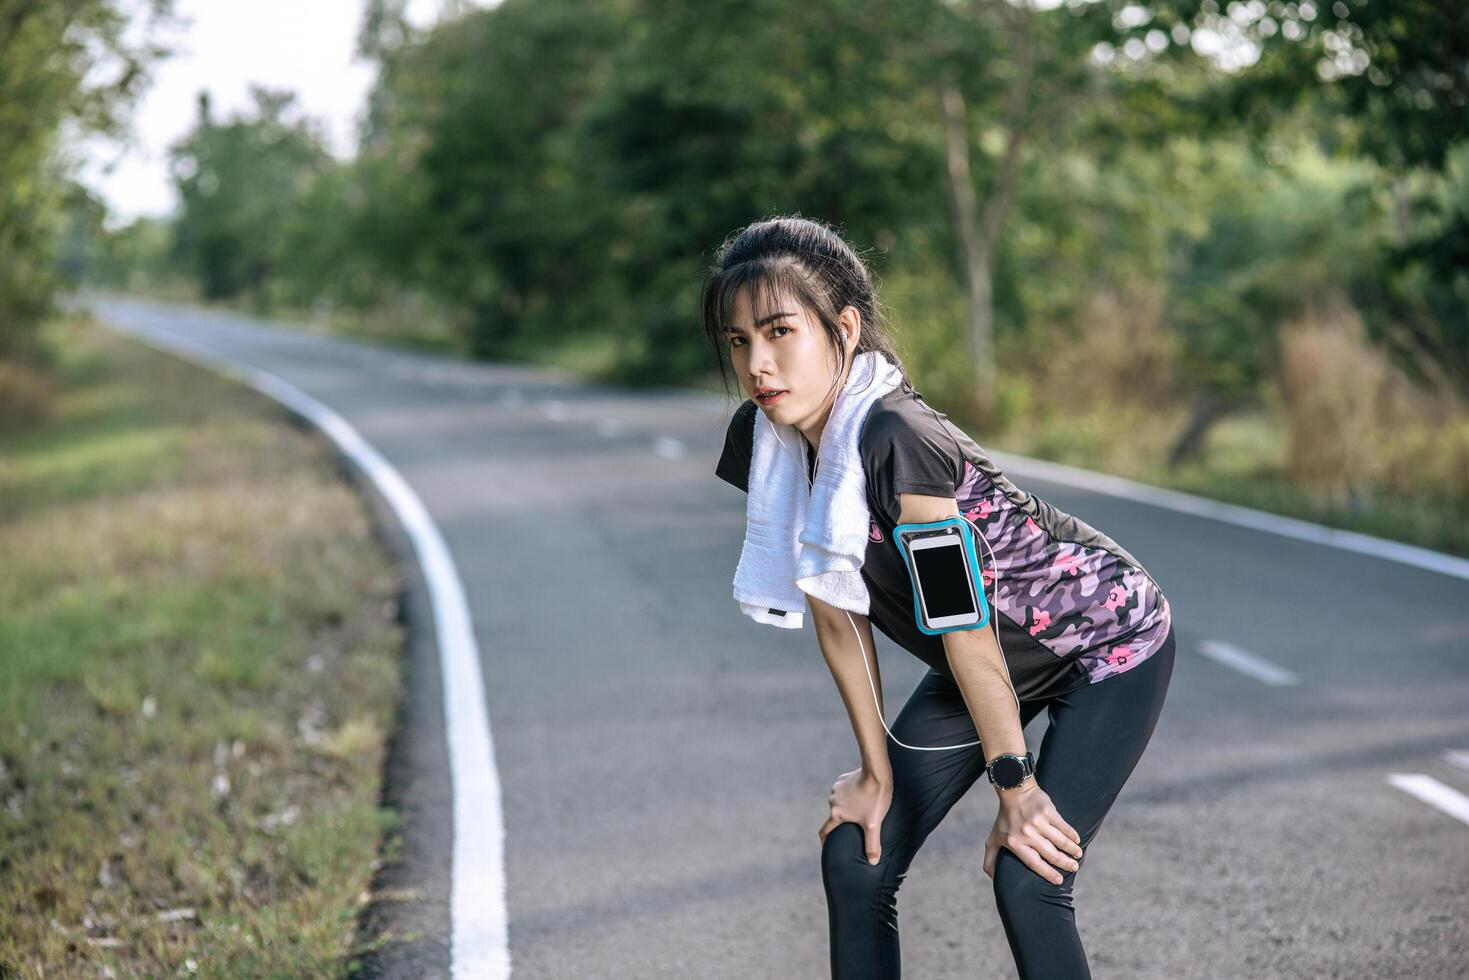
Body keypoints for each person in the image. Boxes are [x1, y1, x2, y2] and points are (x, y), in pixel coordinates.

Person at [702, 216, 1177, 979]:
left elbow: (964, 626)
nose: (757, 364)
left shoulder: (898, 437)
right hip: (989, 665)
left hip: (1105, 643)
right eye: (736, 340)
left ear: (844, 329)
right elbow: (834, 607)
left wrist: (1014, 785)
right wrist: (872, 770)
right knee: (856, 853)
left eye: (780, 332)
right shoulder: (768, 438)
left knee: (1029, 875)